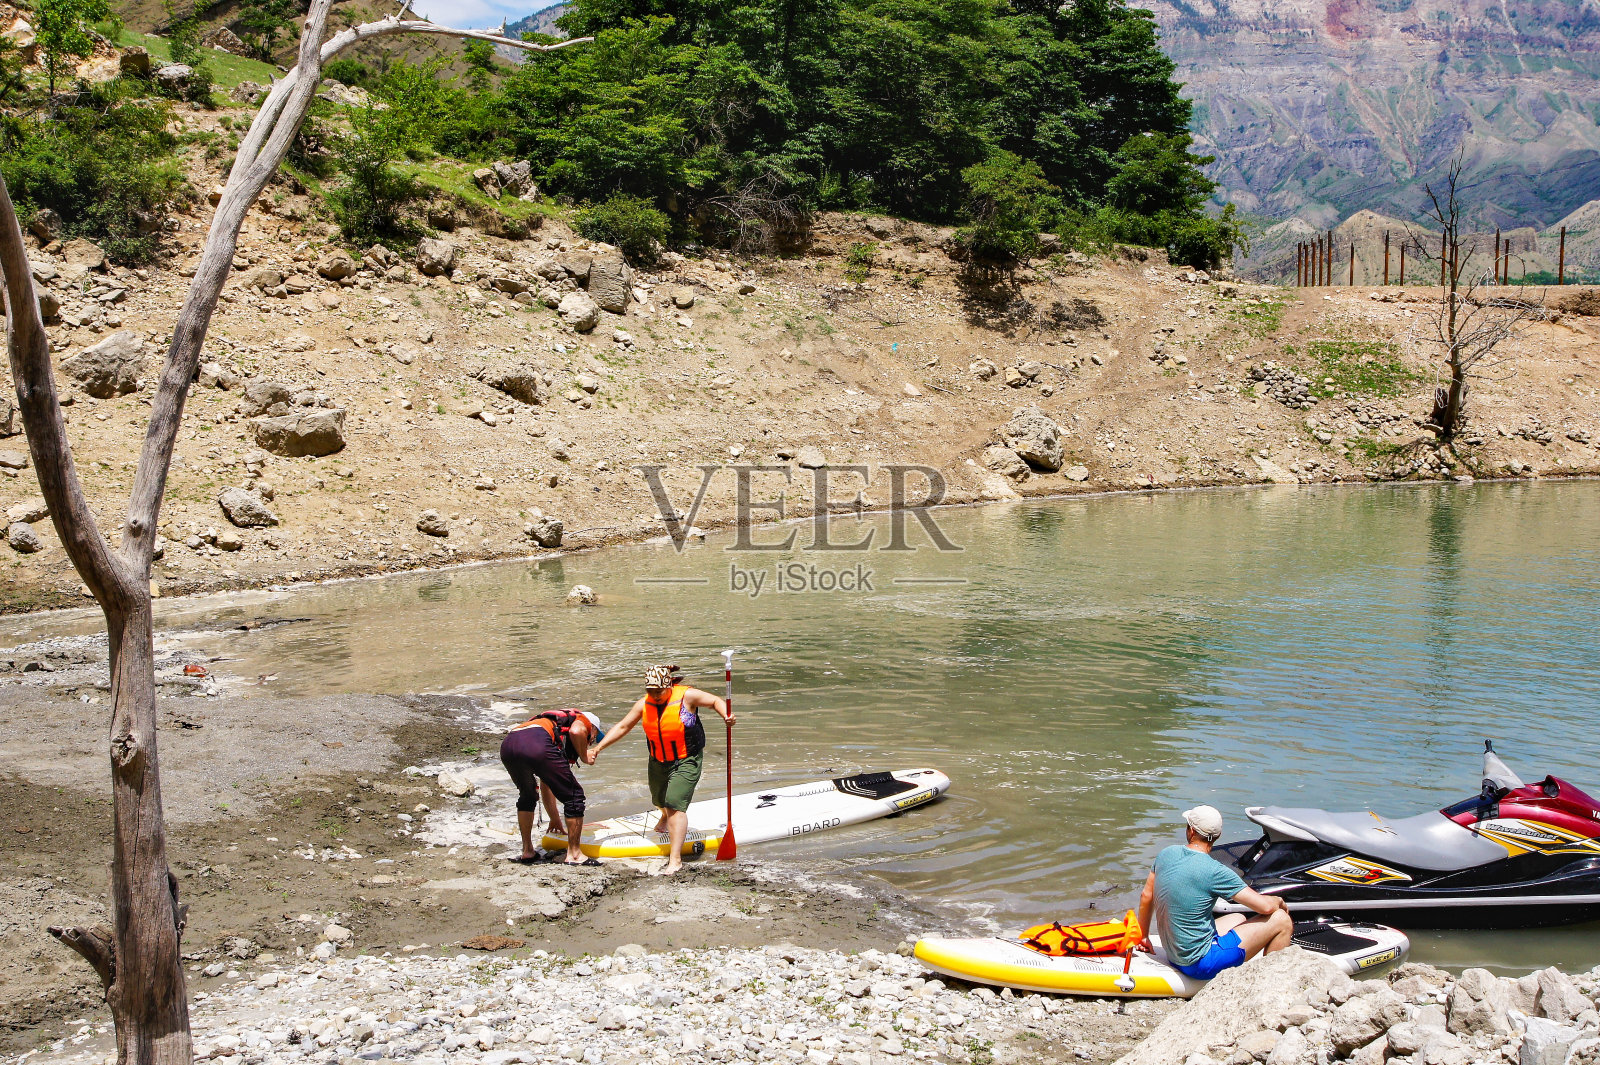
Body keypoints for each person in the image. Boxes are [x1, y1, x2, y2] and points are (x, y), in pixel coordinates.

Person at [590, 663, 734, 875]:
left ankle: (675, 860)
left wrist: (726, 715)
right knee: (659, 799)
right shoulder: (643, 704)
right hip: (658, 760)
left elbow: (714, 701)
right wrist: (598, 748)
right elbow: (622, 726)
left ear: (669, 685)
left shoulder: (688, 696)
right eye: (650, 691)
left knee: (674, 803)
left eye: (659, 692)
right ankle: (664, 815)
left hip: (687, 759)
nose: (655, 696)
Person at [1136, 805, 1293, 980]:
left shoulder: (1166, 853)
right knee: (1282, 920)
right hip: (1200, 965)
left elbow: (1146, 896)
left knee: (1239, 918)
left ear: (1191, 831)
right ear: (1217, 836)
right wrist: (1278, 900)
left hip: (1173, 953)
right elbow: (1265, 907)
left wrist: (1143, 936)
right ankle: (1273, 983)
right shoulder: (1216, 871)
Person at [500, 708, 604, 867]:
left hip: (509, 744)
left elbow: (546, 783)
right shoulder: (584, 720)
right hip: (536, 742)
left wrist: (555, 819)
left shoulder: (552, 727)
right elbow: (576, 731)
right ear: (593, 729)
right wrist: (584, 756)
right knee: (574, 796)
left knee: (527, 796)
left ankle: (528, 851)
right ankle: (575, 855)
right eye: (594, 738)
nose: (591, 742)